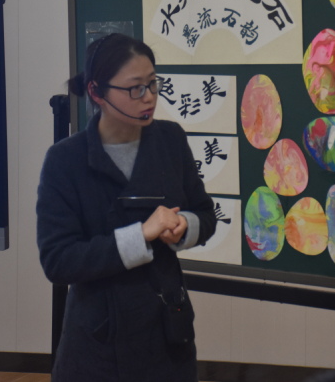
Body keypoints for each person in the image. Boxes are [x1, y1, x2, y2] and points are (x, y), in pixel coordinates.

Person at [36, 33, 216, 381]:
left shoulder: (171, 139)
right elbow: (58, 260)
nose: (148, 97)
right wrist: (141, 236)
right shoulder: (65, 160)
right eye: (135, 88)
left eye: (153, 84)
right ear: (96, 92)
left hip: (167, 335)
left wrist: (185, 227)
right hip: (97, 344)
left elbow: (205, 215)